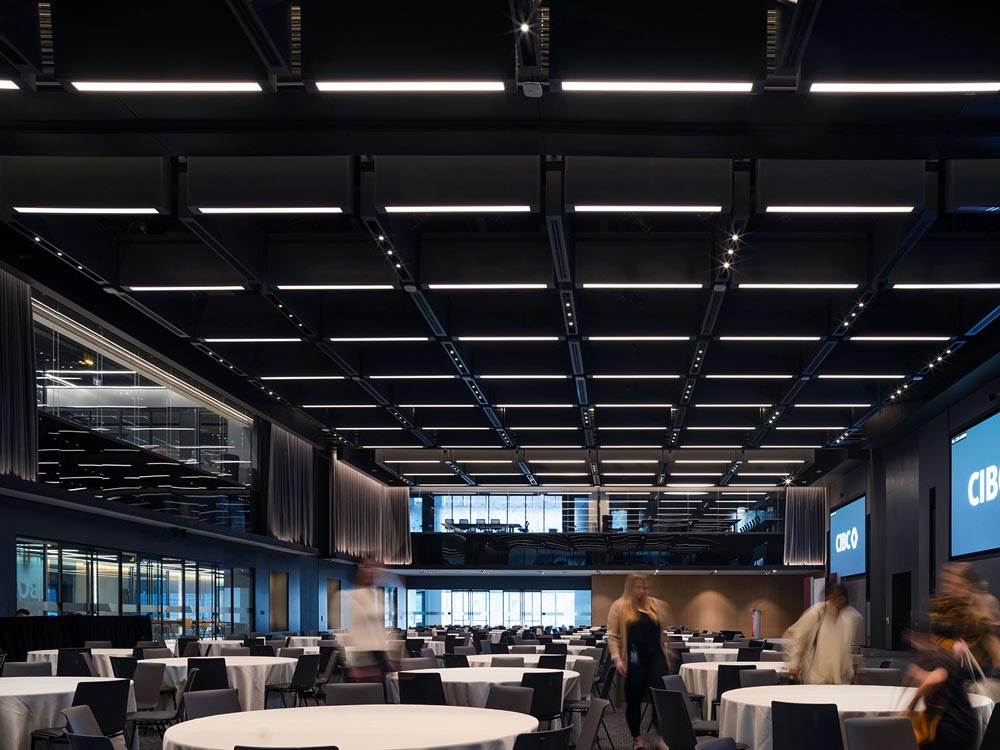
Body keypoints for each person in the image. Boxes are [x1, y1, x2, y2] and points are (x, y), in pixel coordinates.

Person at [607, 573, 674, 750]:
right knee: (634, 698)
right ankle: (636, 739)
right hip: (634, 658)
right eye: (638, 587)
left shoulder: (653, 604)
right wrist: (617, 659)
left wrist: (666, 654)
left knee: (659, 696)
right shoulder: (619, 606)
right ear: (630, 587)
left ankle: (661, 737)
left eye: (644, 587)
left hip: (656, 657)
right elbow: (613, 636)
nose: (642, 590)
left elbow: (662, 630)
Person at [902, 631, 978, 750]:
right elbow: (934, 677)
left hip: (953, 728)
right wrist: (916, 674)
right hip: (966, 726)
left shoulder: (937, 660)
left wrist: (910, 708)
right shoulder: (946, 660)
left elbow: (936, 678)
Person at [930, 562, 1000, 678]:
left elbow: (990, 638)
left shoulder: (983, 604)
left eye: (959, 584)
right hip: (951, 664)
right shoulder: (942, 605)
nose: (954, 588)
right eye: (951, 583)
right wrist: (952, 645)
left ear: (969, 584)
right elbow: (934, 636)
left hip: (979, 664)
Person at [784, 582, 862, 684]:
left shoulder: (848, 618)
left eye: (841, 598)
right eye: (836, 597)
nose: (839, 601)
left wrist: (850, 673)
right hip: (816, 674)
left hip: (839, 677)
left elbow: (844, 649)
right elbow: (799, 638)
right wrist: (794, 664)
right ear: (829, 597)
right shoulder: (817, 612)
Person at [342, 558, 389, 682]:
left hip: (380, 653)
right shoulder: (351, 596)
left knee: (383, 695)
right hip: (363, 654)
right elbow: (352, 630)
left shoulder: (376, 594)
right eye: (367, 567)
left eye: (374, 567)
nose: (372, 571)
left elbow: (378, 629)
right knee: (368, 695)